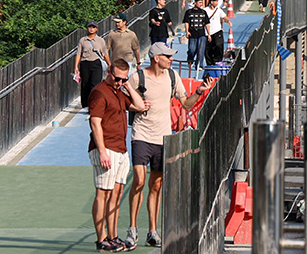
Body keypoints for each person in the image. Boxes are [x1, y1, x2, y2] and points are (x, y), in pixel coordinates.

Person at [126, 43, 213, 249]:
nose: (171, 59)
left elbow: (186, 103)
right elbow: (123, 101)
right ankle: (132, 228)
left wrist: (199, 92)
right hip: (141, 135)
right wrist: (135, 106)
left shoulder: (172, 77)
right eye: (168, 56)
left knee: (156, 185)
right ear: (156, 58)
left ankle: (152, 231)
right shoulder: (138, 77)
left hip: (163, 137)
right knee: (138, 180)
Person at [88, 59, 148, 252]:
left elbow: (140, 106)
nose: (119, 82)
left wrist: (128, 86)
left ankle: (113, 236)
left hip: (121, 149)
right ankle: (101, 239)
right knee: (102, 193)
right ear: (108, 73)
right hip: (106, 149)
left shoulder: (119, 91)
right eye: (117, 78)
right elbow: (95, 123)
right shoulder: (99, 92)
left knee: (116, 193)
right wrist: (103, 151)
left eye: (123, 79)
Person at [74, 21, 111, 109]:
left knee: (95, 84)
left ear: (96, 29)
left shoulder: (100, 40)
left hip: (96, 63)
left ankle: (94, 104)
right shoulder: (83, 40)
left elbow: (105, 53)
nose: (91, 29)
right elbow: (79, 53)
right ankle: (85, 104)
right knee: (85, 84)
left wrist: (110, 64)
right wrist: (76, 66)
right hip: (85, 63)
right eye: (90, 27)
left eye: (93, 27)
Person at [183, 0, 210, 74]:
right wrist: (187, 31)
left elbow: (207, 24)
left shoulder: (203, 12)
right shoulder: (189, 12)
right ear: (195, 3)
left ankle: (199, 65)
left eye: (202, 2)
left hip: (201, 34)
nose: (201, 4)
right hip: (192, 34)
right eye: (199, 2)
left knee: (200, 50)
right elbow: (186, 22)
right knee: (192, 50)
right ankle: (190, 60)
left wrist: (209, 34)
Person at [204, 0, 231, 65]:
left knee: (218, 45)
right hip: (208, 32)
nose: (217, 3)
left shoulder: (219, 10)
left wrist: (228, 21)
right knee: (208, 48)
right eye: (216, 1)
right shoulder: (205, 10)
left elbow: (224, 17)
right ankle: (209, 63)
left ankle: (218, 61)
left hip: (217, 31)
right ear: (211, 2)